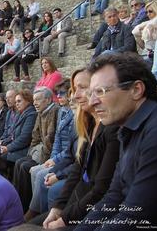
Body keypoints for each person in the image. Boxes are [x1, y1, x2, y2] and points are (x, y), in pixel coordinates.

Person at [74, 53, 157, 230]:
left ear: (136, 90)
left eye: (101, 91)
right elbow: (113, 196)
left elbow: (136, 214)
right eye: (92, 93)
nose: (92, 101)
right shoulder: (127, 128)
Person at [30, 69, 120, 229]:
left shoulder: (111, 128)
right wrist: (58, 208)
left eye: (82, 88)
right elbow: (77, 169)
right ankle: (33, 210)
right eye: (73, 89)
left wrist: (64, 218)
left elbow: (101, 189)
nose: (75, 96)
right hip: (80, 196)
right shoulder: (88, 125)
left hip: (94, 208)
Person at [24, 80, 74, 220]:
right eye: (58, 94)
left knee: (39, 174)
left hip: (67, 159)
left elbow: (67, 146)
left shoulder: (66, 112)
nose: (59, 96)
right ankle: (37, 209)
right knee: (33, 170)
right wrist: (52, 159)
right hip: (60, 156)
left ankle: (37, 212)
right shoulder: (63, 111)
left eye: (63, 93)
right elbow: (57, 140)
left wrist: (55, 160)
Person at [12, 87, 60, 212]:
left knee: (24, 166)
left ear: (48, 100)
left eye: (38, 100)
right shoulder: (40, 113)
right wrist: (32, 151)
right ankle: (17, 203)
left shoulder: (55, 111)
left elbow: (50, 138)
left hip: (49, 154)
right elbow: (35, 135)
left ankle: (26, 206)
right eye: (34, 100)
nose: (35, 103)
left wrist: (39, 153)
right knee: (20, 162)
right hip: (40, 151)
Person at [0, 89, 37, 180]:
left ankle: (6, 184)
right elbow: (11, 133)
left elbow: (24, 138)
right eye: (16, 102)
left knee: (0, 156)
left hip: (25, 149)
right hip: (16, 146)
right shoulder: (21, 113)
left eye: (19, 101)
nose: (17, 104)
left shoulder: (31, 114)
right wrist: (3, 142)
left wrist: (8, 147)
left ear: (28, 100)